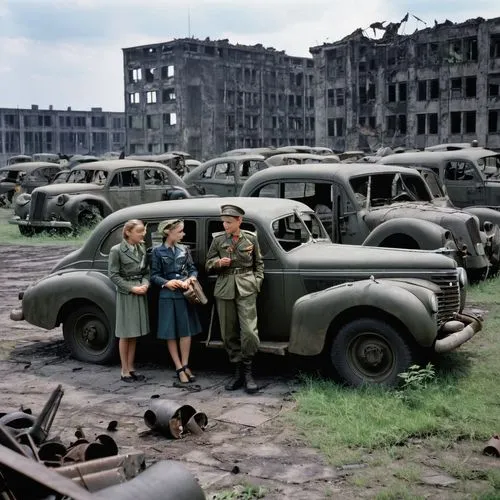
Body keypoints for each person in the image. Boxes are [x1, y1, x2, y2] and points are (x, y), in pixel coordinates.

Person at [205, 204, 264, 394]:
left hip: (246, 287)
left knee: (249, 332)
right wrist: (218, 263)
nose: (225, 225)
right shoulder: (218, 240)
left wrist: (257, 282)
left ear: (239, 221)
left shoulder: (251, 238)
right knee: (228, 333)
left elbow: (259, 263)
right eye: (223, 222)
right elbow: (207, 264)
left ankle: (249, 370)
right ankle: (238, 371)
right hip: (224, 288)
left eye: (229, 222)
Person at [150, 219, 201, 384]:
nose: (183, 234)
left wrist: (191, 279)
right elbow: (154, 275)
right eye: (180, 231)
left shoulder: (184, 249)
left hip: (184, 295)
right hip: (167, 296)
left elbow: (192, 269)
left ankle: (186, 365)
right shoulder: (157, 251)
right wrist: (166, 283)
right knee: (170, 333)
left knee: (185, 332)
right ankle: (179, 367)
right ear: (168, 233)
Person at [108, 219, 149, 383]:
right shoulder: (116, 250)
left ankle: (131, 367)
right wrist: (131, 288)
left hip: (140, 291)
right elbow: (113, 275)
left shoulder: (141, 248)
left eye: (143, 231)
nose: (142, 234)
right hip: (127, 294)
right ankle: (124, 370)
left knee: (134, 333)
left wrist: (145, 284)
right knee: (126, 333)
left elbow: (146, 271)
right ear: (128, 233)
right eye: (139, 232)